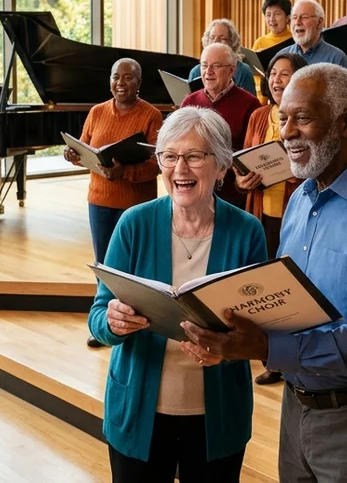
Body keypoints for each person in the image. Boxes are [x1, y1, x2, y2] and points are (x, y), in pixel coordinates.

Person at [182, 63, 347, 483]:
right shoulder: (300, 200)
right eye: (282, 118)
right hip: (296, 407)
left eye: (303, 118)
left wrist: (264, 347)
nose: (286, 133)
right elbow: (287, 302)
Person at [87, 107, 268, 482]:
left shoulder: (247, 231)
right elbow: (98, 315)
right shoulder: (133, 224)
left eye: (194, 156)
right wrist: (113, 322)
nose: (179, 169)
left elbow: (257, 331)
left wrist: (228, 350)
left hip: (217, 417)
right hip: (139, 412)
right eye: (169, 156)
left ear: (220, 167)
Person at [65, 58, 165, 347]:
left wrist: (127, 172)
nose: (120, 83)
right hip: (100, 200)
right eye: (115, 77)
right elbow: (84, 146)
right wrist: (73, 155)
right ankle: (107, 323)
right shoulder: (97, 112)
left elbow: (158, 162)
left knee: (134, 265)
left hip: (136, 204)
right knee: (104, 264)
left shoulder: (151, 115)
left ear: (139, 83)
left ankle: (139, 321)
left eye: (128, 78)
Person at [235, 51, 307, 386]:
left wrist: (286, 171)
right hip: (261, 211)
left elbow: (311, 168)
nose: (277, 80)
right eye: (274, 74)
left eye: (285, 74)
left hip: (295, 214)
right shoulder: (258, 116)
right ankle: (269, 355)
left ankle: (292, 356)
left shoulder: (307, 118)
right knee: (264, 289)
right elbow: (244, 164)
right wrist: (243, 180)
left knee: (290, 289)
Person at [181, 43, 261, 209]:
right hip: (195, 192)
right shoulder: (189, 101)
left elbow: (254, 154)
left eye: (216, 66)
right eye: (204, 65)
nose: (208, 72)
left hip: (233, 195)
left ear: (231, 71)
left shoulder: (251, 104)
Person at [189, 19, 257, 95]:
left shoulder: (243, 71)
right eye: (212, 38)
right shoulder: (196, 72)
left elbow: (251, 104)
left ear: (232, 43)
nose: (216, 41)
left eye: (222, 39)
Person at [278, 0, 347, 68]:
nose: (297, 22)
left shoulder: (337, 58)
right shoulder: (281, 56)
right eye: (294, 17)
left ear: (319, 22)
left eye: (304, 17)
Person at [250, 0, 295, 103]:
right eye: (268, 15)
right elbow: (256, 76)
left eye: (277, 14)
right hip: (265, 97)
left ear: (288, 18)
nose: (271, 19)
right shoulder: (260, 42)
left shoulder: (295, 40)